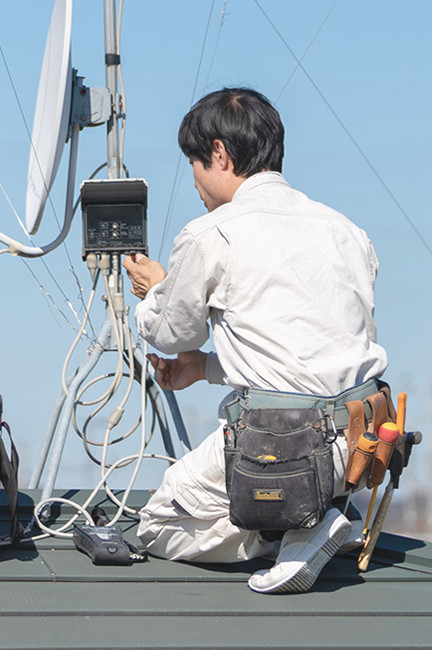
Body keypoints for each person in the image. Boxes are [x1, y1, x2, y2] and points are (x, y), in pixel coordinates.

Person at [123, 87, 389, 594]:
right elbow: (308, 359)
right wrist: (203, 368)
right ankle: (317, 515)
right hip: (361, 446)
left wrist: (156, 288)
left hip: (282, 447)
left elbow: (169, 330)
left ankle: (293, 528)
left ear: (219, 154)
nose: (196, 182)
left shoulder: (212, 233)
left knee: (157, 522)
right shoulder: (347, 231)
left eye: (195, 165)